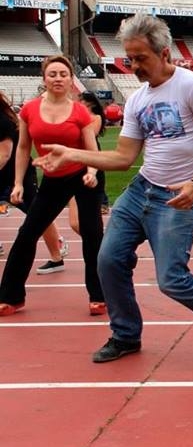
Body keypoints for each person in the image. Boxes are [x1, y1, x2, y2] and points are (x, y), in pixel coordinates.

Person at [35, 14, 193, 364]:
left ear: (164, 53)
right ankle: (126, 334)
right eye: (129, 58)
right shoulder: (138, 99)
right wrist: (72, 153)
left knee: (172, 280)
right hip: (141, 189)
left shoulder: (192, 87)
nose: (134, 66)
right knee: (109, 261)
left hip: (177, 197)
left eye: (141, 57)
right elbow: (124, 156)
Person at [0, 56, 105, 317]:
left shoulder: (80, 112)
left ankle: (99, 295)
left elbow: (93, 150)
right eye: (52, 74)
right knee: (27, 233)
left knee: (92, 235)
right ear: (44, 79)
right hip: (54, 178)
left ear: (71, 80)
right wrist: (17, 184)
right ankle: (11, 296)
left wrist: (92, 172)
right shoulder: (29, 110)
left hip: (83, 174)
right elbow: (23, 148)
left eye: (63, 74)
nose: (58, 78)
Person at [0, 90, 68, 272]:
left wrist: (18, 183)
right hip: (5, 176)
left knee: (38, 215)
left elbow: (4, 154)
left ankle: (56, 255)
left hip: (16, 175)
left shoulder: (2, 121)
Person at [68, 91, 108, 236]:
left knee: (90, 222)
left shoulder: (95, 118)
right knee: (74, 222)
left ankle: (100, 247)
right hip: (73, 166)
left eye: (80, 101)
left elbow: (89, 135)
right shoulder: (73, 117)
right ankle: (99, 244)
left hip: (90, 165)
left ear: (88, 103)